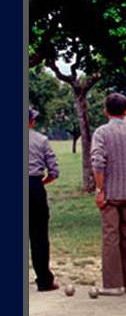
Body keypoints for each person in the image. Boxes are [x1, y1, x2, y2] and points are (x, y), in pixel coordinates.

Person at [90, 93, 126, 296]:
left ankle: (113, 284)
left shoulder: (101, 133)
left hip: (110, 194)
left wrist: (100, 190)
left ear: (106, 111)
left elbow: (98, 162)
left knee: (110, 237)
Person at [28, 107, 60, 292]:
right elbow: (54, 170)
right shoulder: (41, 140)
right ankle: (44, 281)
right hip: (34, 187)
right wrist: (42, 182)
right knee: (39, 235)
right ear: (31, 121)